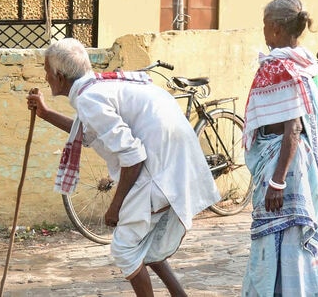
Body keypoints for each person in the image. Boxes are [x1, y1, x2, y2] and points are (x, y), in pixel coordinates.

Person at [27, 38, 220, 296]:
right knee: (143, 245)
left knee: (125, 249)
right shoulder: (99, 87)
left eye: (47, 72)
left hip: (158, 171)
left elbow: (133, 157)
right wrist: (46, 113)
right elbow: (87, 133)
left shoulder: (90, 97)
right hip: (173, 165)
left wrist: (115, 207)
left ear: (60, 77)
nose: (45, 77)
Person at [241, 0, 318, 296]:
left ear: (277, 29)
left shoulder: (280, 67)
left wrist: (277, 181)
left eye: (266, 26)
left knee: (275, 249)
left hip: (283, 168)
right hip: (302, 166)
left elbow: (292, 127)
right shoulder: (306, 63)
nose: (263, 32)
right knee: (295, 248)